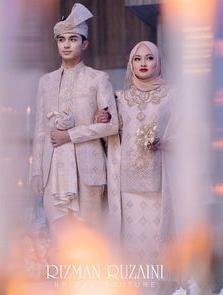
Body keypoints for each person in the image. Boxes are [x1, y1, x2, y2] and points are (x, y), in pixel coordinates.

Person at [31, 3, 118, 233]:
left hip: (88, 170)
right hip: (54, 173)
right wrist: (37, 172)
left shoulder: (98, 79)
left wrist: (69, 135)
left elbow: (112, 124)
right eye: (61, 39)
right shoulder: (45, 82)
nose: (66, 44)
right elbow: (40, 130)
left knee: (88, 240)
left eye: (73, 38)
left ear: (85, 43)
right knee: (59, 240)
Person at [96, 41, 176, 266]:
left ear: (158, 62)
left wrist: (165, 142)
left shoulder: (172, 96)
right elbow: (111, 136)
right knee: (131, 244)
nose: (143, 63)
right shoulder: (120, 99)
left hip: (159, 180)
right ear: (130, 64)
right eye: (137, 58)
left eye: (149, 58)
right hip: (126, 183)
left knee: (156, 242)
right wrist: (101, 121)